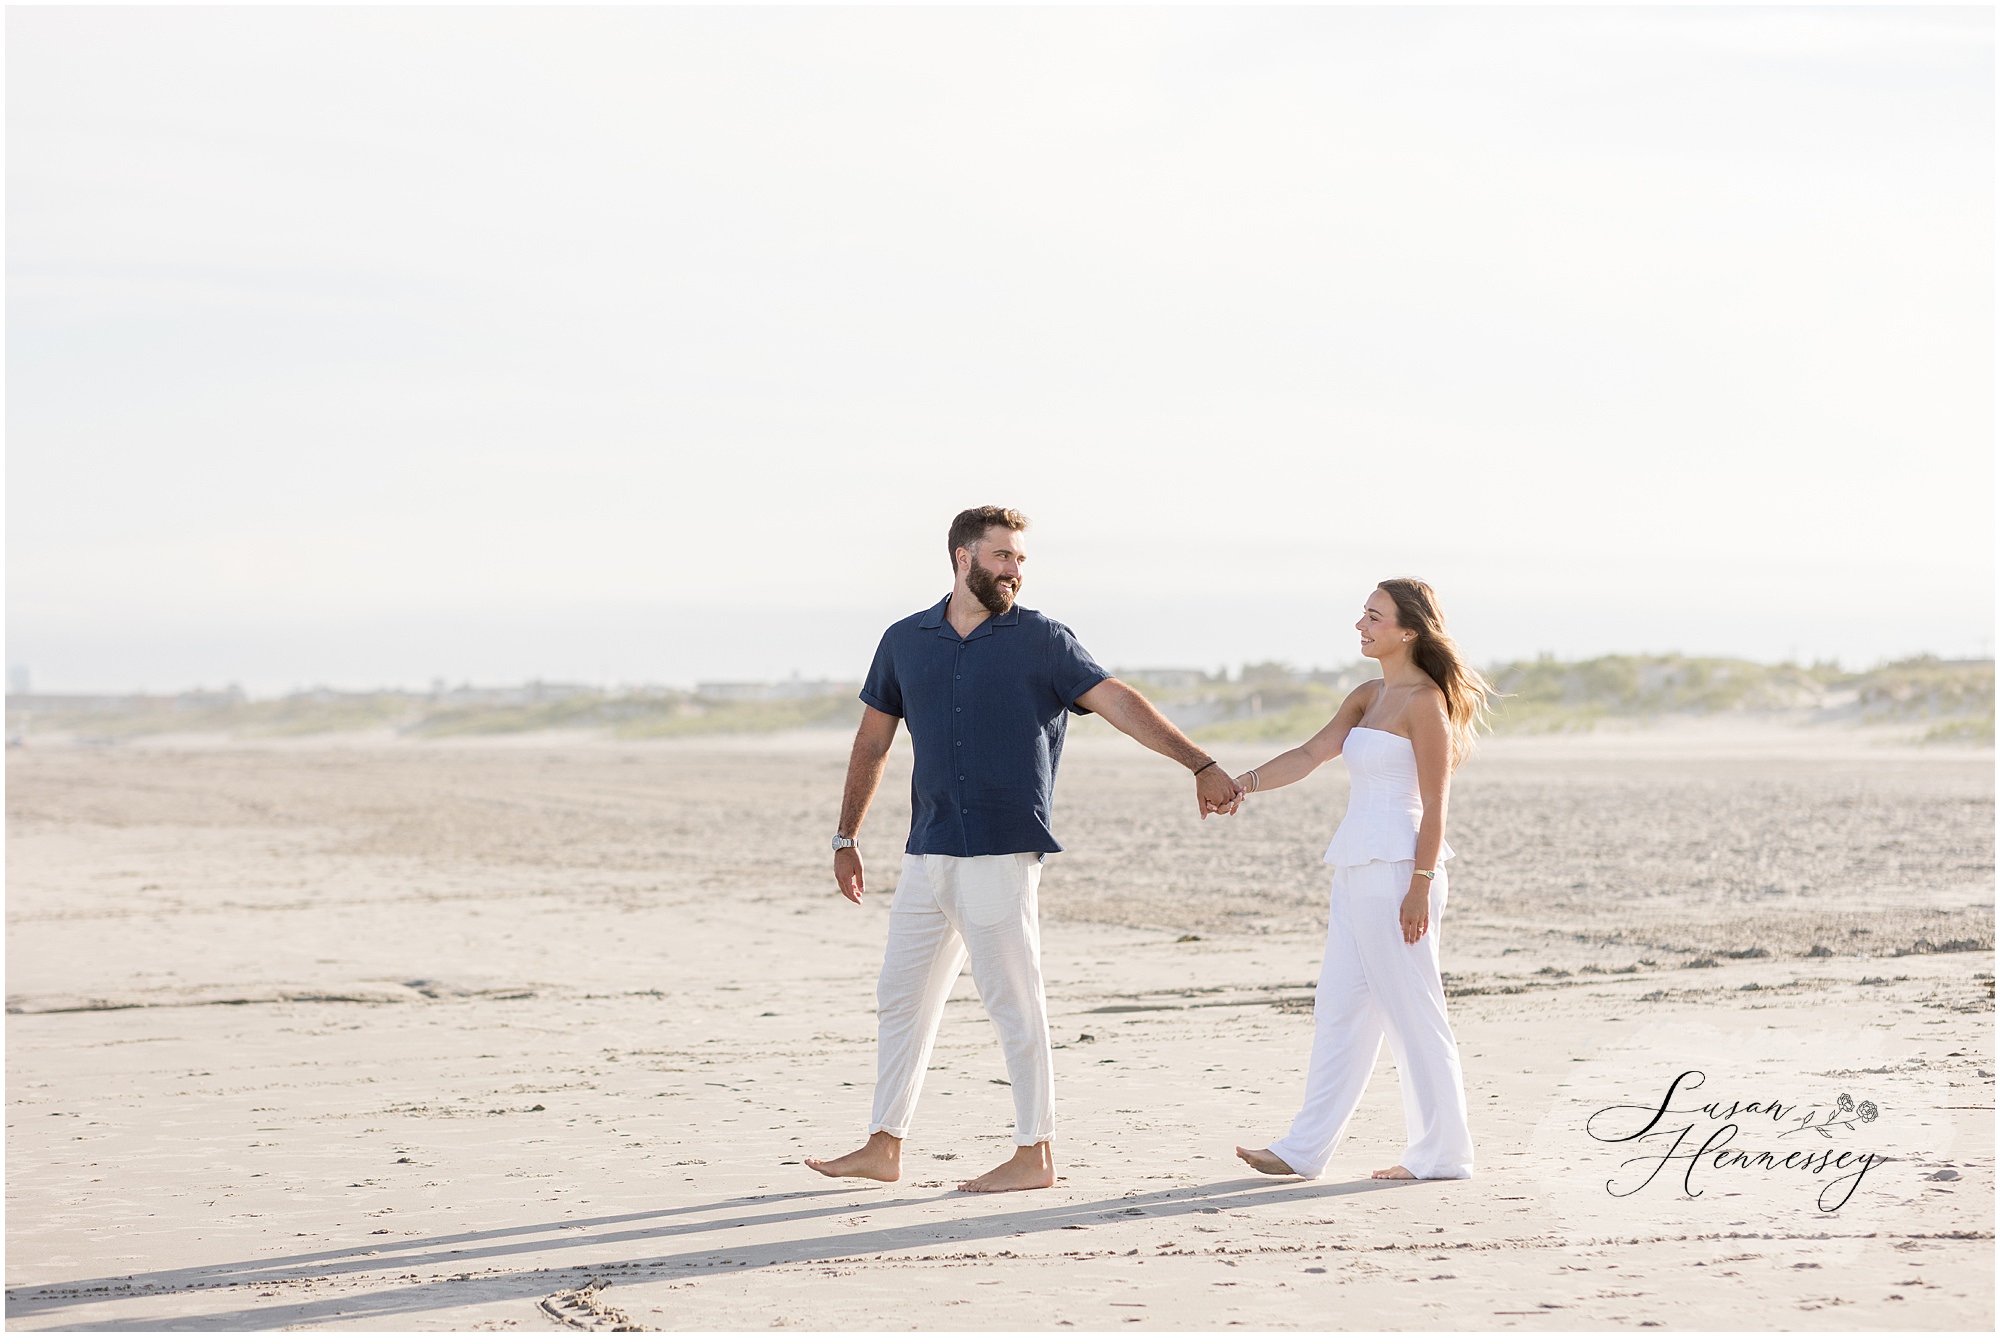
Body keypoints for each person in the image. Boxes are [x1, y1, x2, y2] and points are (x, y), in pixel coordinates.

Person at [806, 505, 1244, 1193]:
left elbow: (1121, 702)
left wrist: (1199, 762)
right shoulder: (904, 640)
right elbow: (873, 742)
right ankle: (883, 1142)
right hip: (928, 851)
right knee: (901, 996)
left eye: (1019, 559)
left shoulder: (1042, 639)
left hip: (1003, 849)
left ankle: (1034, 1150)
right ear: (962, 557)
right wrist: (846, 835)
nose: (1014, 570)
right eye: (1002, 556)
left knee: (1014, 1000)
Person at [1232, 578, 1489, 1182]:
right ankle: (1304, 1149)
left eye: (1374, 617)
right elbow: (1308, 754)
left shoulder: (1426, 702)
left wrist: (1421, 885)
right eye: (1363, 615)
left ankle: (1444, 1154)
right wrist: (1241, 783)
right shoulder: (1368, 695)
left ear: (1408, 630)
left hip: (1401, 869)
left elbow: (1436, 806)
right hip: (1355, 866)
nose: (1361, 625)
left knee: (1413, 1011)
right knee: (1340, 1006)